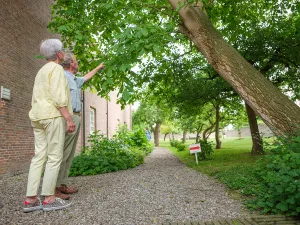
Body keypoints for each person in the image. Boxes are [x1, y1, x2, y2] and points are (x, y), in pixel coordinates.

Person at [24, 39, 75, 212]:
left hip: (37, 116)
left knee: (39, 156)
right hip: (52, 116)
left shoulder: (41, 71)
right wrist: (68, 118)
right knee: (54, 156)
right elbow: (58, 96)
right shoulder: (57, 69)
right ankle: (49, 198)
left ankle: (30, 199)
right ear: (59, 54)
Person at [55, 51, 105, 200]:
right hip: (67, 117)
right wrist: (68, 118)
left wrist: (97, 68)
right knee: (62, 153)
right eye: (76, 61)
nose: (77, 63)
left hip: (75, 118)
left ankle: (62, 184)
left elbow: (85, 78)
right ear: (71, 64)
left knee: (69, 154)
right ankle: (54, 187)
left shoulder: (73, 78)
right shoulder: (62, 76)